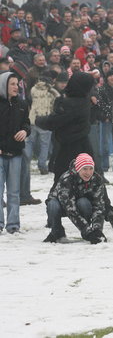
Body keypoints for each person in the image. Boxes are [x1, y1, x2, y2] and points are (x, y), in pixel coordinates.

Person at [36, 72, 95, 183]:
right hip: (83, 146)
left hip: (69, 149)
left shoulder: (71, 104)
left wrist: (37, 119)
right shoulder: (84, 100)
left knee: (63, 183)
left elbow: (52, 122)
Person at [43, 153, 108, 244]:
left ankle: (89, 230)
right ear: (78, 169)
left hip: (78, 203)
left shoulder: (97, 179)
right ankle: (56, 232)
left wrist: (97, 230)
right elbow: (70, 209)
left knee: (84, 203)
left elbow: (99, 206)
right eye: (84, 169)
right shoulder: (67, 179)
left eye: (91, 168)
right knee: (53, 205)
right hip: (61, 206)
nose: (88, 172)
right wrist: (87, 231)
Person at [0, 71, 30, 234]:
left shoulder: (22, 104)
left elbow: (27, 124)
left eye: (17, 84)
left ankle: (13, 224)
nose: (16, 87)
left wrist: (25, 132)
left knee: (14, 192)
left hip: (16, 154)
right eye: (12, 84)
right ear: (4, 85)